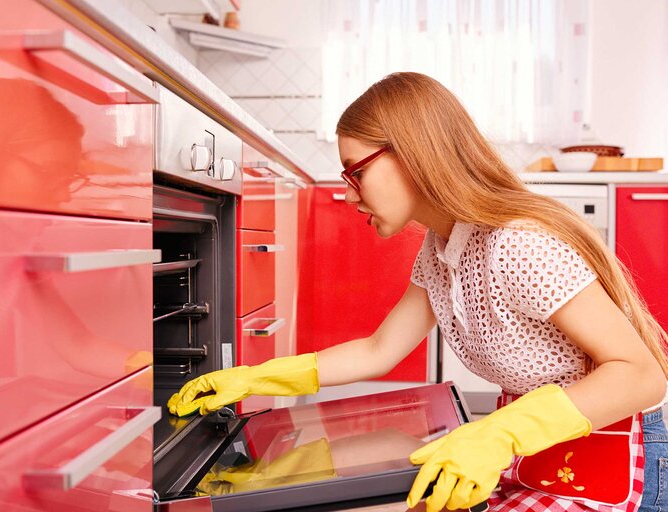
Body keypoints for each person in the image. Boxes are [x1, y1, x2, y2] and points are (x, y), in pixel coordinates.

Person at [168, 72, 668, 512]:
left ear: (413, 154)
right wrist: (255, 379)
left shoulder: (518, 244)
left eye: (356, 171)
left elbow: (644, 375)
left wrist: (499, 433)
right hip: (533, 454)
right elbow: (378, 350)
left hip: (610, 462)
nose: (347, 193)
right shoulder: (443, 246)